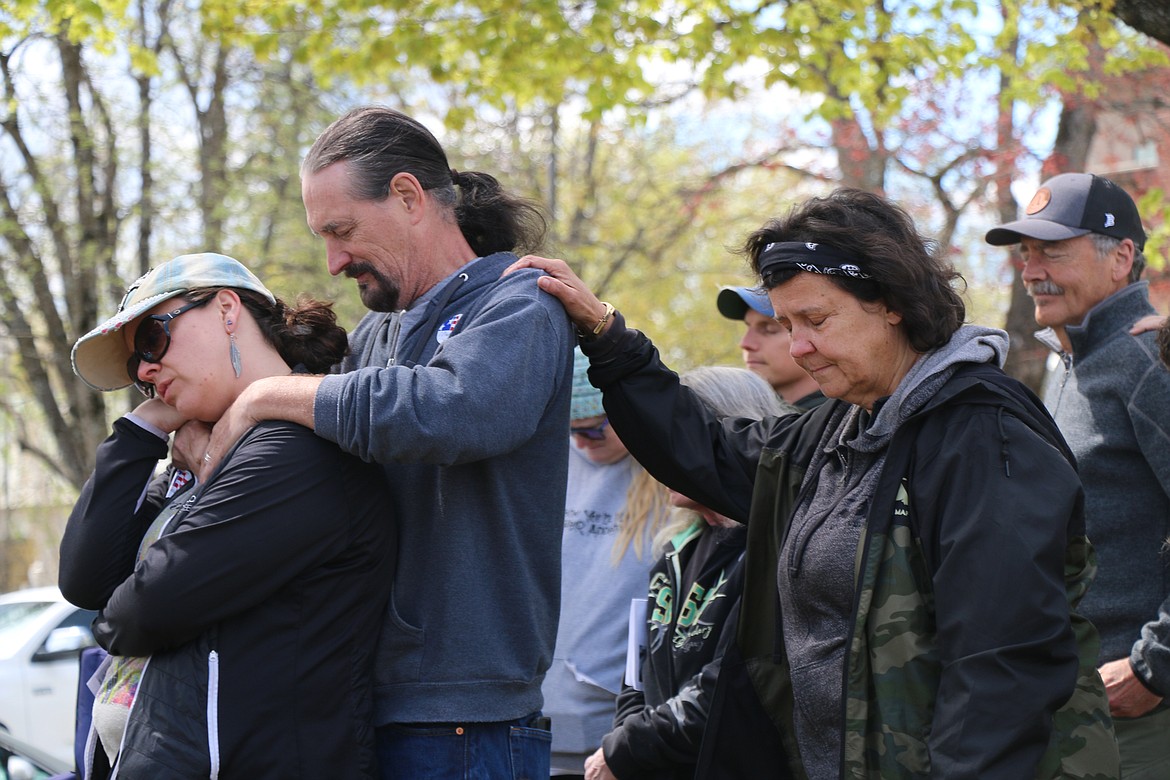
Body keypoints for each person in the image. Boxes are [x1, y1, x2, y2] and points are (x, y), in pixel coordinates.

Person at [508, 187, 1119, 779]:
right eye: (787, 323)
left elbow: (1001, 667)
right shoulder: (835, 430)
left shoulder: (982, 437)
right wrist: (609, 339)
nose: (799, 347)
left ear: (891, 302)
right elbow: (707, 453)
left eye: (816, 319)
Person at [203, 105, 575, 778]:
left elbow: (450, 411)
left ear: (407, 197)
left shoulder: (519, 305)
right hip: (370, 701)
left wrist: (264, 397)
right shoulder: (377, 334)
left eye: (341, 231)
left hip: (465, 720)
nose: (333, 260)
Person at [59, 252, 395, 778]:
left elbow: (142, 611)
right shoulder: (201, 453)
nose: (146, 370)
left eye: (152, 339)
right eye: (135, 369)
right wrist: (140, 429)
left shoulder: (297, 451)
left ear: (226, 309)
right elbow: (85, 581)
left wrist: (115, 618)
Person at [986, 171, 1170, 779]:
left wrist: (1155, 666)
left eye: (1052, 251)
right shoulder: (1073, 361)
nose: (1031, 269)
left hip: (1144, 713)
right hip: (1082, 703)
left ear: (1121, 258)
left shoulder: (1149, 361)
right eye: (1025, 253)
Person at [584, 366, 785, 780]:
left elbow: (729, 685)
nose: (660, 454)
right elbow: (637, 673)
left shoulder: (771, 547)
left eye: (676, 440)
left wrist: (625, 750)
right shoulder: (675, 549)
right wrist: (625, 746)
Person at [546, 347, 673, 777]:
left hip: (617, 716)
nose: (583, 442)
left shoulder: (669, 470)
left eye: (595, 430)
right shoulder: (554, 461)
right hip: (542, 704)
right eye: (571, 431)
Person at [716, 285, 825, 409]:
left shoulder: (840, 422)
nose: (745, 343)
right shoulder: (749, 421)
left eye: (768, 329)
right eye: (747, 327)